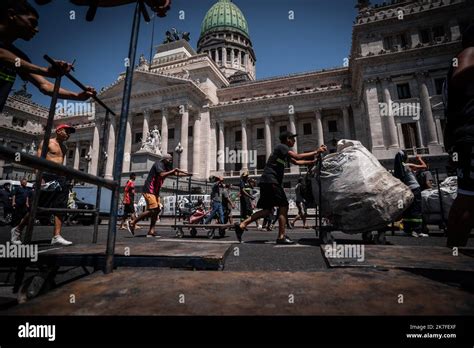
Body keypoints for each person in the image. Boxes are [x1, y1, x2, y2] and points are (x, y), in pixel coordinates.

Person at [0, 0, 95, 113]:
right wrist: (45, 70)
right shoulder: (15, 58)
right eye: (32, 22)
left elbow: (45, 85)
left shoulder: (19, 57)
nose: (37, 29)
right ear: (12, 15)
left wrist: (77, 96)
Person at [234, 131, 327, 244]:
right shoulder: (282, 147)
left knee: (267, 210)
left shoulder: (282, 151)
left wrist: (312, 161)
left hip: (267, 181)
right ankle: (281, 236)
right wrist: (316, 151)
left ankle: (242, 225)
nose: (294, 141)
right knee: (284, 206)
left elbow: (296, 161)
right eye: (293, 139)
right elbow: (296, 156)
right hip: (271, 180)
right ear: (288, 139)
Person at [11, 124, 77, 245]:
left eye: (70, 133)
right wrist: (39, 177)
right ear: (59, 130)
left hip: (59, 178)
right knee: (36, 207)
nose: (68, 134)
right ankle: (18, 229)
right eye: (67, 131)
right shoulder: (47, 142)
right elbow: (38, 160)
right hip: (46, 176)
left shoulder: (64, 147)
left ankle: (56, 235)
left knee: (60, 206)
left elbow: (60, 163)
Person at [444, 23, 474, 247]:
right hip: (469, 135)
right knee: (468, 199)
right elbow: (459, 75)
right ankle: (452, 255)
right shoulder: (469, 52)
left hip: (464, 135)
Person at [127, 155, 188, 237]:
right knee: (153, 209)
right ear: (164, 160)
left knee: (157, 210)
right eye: (170, 160)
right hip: (149, 190)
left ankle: (151, 231)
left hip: (155, 192)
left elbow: (175, 173)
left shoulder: (165, 167)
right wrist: (173, 171)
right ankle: (132, 222)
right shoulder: (158, 164)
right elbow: (162, 175)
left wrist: (187, 174)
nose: (171, 161)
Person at [394, 152, 429, 238]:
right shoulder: (407, 165)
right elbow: (424, 166)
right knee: (416, 209)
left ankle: (408, 229)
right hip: (415, 189)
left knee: (408, 210)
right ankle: (417, 230)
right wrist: (419, 158)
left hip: (407, 190)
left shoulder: (399, 167)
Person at [10, 178, 31, 244]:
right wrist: (13, 202)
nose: (26, 183)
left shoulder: (26, 189)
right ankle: (14, 237)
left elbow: (27, 197)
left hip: (24, 207)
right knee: (17, 219)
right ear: (21, 182)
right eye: (24, 182)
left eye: (26, 182)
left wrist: (27, 203)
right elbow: (14, 195)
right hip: (18, 205)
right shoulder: (17, 188)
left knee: (23, 219)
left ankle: (18, 235)